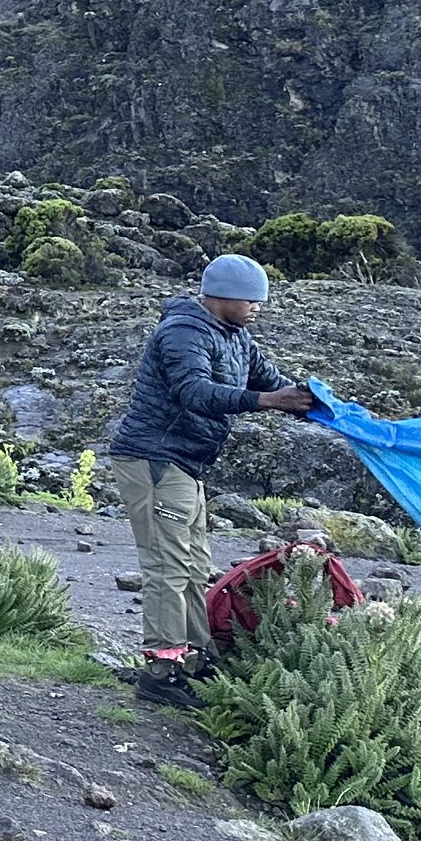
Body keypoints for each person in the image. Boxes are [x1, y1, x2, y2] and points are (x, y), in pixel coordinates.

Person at [106, 252, 314, 705]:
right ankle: (161, 672)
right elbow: (195, 392)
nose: (258, 307)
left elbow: (272, 380)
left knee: (194, 565)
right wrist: (270, 402)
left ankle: (198, 659)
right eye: (252, 300)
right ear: (226, 297)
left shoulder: (235, 335)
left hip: (187, 463)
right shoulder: (183, 331)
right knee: (168, 566)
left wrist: (316, 406)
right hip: (154, 459)